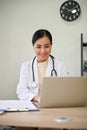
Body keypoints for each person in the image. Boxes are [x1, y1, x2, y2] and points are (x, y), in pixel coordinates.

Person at [16, 29, 68, 103]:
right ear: (33, 47)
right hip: (32, 106)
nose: (43, 51)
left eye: (46, 46)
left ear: (51, 46)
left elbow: (66, 90)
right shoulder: (25, 66)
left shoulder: (60, 66)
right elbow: (21, 91)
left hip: (54, 105)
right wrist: (36, 98)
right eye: (38, 47)